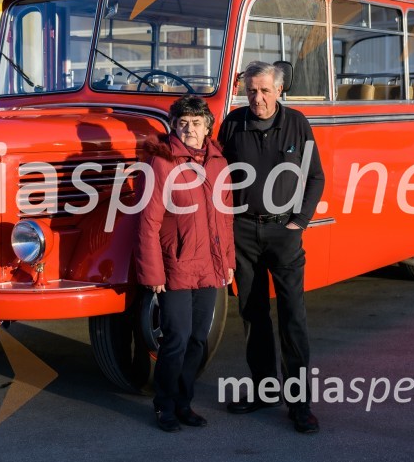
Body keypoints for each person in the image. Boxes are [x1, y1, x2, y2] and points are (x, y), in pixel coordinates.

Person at [217, 60, 325, 433]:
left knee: (292, 317)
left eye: (264, 90)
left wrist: (299, 222)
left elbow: (315, 177)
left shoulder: (296, 123)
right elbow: (215, 175)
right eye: (251, 91)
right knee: (252, 313)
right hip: (243, 232)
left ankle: (300, 405)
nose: (257, 98)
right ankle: (264, 390)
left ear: (279, 90)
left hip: (284, 234)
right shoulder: (233, 123)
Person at [135, 95, 235, 432]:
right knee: (175, 339)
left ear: (208, 127)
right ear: (174, 126)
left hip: (210, 265)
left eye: (195, 122)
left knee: (197, 339)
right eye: (182, 122)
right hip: (176, 266)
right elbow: (147, 223)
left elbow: (226, 218)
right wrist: (153, 272)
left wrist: (228, 262)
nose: (189, 128)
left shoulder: (218, 162)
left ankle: (183, 403)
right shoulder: (162, 163)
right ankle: (164, 405)